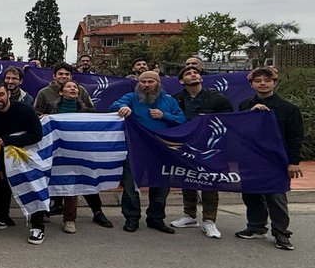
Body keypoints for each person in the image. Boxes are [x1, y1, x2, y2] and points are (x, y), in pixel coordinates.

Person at [235, 67, 303, 251]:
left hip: (276, 160)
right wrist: (251, 113)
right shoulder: (244, 105)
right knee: (251, 194)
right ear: (251, 84)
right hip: (251, 159)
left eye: (267, 80)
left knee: (276, 197)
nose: (263, 83)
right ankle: (256, 227)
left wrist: (294, 162)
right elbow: (239, 130)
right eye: (258, 81)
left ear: (275, 83)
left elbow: (296, 136)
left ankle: (281, 232)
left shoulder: (288, 109)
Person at [33, 78, 116, 231]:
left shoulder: (86, 111)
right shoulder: (52, 109)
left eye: (75, 87)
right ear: (60, 92)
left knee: (76, 184)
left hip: (79, 152)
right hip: (57, 151)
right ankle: (44, 212)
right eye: (69, 87)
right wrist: (43, 118)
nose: (73, 89)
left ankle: (73, 219)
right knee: (51, 181)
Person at [111, 70, 186, 233]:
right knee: (130, 186)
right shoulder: (131, 98)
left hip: (161, 150)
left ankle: (156, 218)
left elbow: (182, 119)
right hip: (136, 150)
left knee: (161, 186)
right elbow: (115, 105)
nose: (146, 85)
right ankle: (131, 218)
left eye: (150, 82)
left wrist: (164, 115)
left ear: (158, 83)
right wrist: (123, 107)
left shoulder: (169, 101)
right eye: (143, 82)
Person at [168, 65, 233, 238]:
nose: (193, 75)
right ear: (182, 81)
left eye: (195, 73)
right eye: (188, 74)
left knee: (208, 181)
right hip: (186, 145)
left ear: (201, 78)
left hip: (210, 146)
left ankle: (209, 221)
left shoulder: (217, 98)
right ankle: (189, 215)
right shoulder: (176, 99)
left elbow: (229, 121)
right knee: (187, 178)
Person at [0, 84, 46, 243]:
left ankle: (38, 227)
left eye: (1, 94)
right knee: (1, 184)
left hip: (27, 156)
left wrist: (9, 140)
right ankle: (2, 217)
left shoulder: (24, 110)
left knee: (33, 187)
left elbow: (37, 135)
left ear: (9, 93)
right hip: (3, 157)